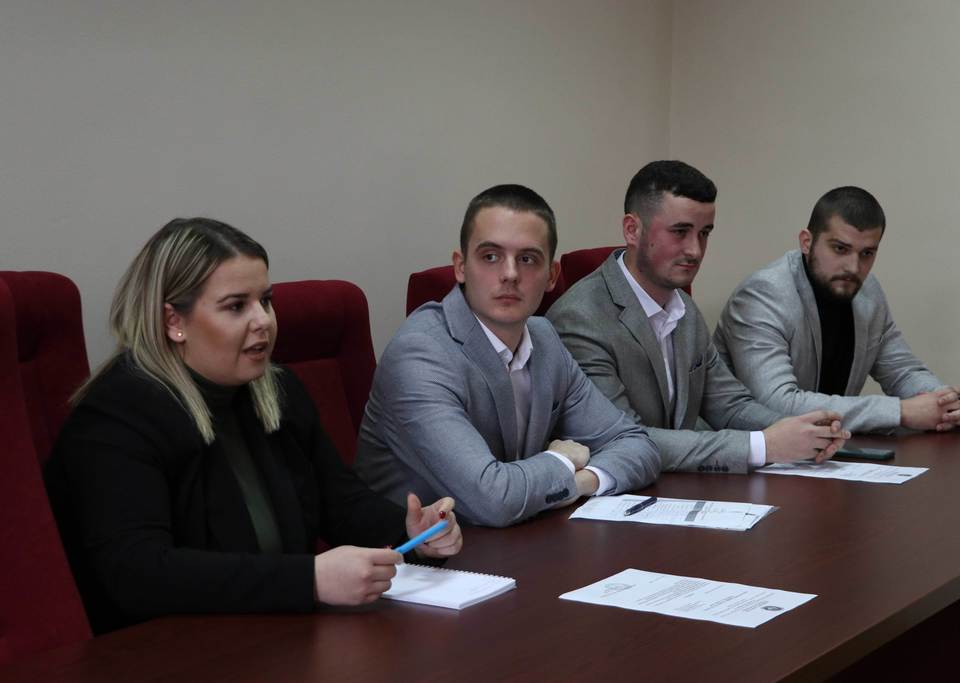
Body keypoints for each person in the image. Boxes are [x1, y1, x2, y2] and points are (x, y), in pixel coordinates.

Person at [45, 218, 462, 634]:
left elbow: (342, 504)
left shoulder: (276, 390)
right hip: (168, 647)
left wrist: (412, 532)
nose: (263, 320)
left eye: (266, 301)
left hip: (277, 633)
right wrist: (309, 580)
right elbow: (138, 574)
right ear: (173, 321)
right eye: (236, 306)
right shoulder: (115, 417)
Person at [356, 185, 660, 526]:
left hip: (518, 538)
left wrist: (578, 482)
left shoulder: (544, 338)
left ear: (551, 276)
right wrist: (560, 462)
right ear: (460, 266)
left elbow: (637, 445)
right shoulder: (419, 353)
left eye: (528, 259)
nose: (510, 274)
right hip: (416, 553)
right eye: (490, 256)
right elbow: (493, 499)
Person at [547, 161, 848, 474]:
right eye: (680, 232)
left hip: (674, 486)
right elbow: (624, 440)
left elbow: (729, 405)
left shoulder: (684, 308)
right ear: (632, 229)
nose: (695, 250)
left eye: (704, 233)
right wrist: (763, 445)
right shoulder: (579, 319)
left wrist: (804, 431)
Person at [713, 186, 960, 433]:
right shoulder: (763, 294)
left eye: (867, 253)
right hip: (748, 454)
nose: (853, 267)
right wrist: (900, 411)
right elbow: (777, 403)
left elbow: (901, 370)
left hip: (828, 450)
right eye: (840, 249)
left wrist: (943, 401)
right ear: (806, 242)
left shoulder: (867, 290)